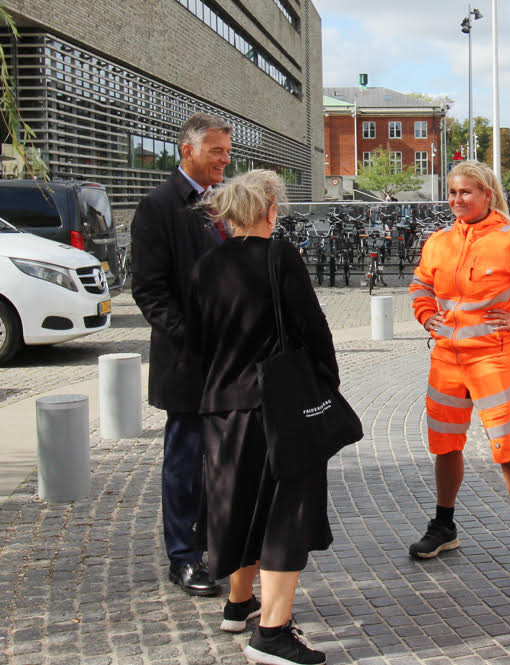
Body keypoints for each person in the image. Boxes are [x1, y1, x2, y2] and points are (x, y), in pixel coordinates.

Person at [188, 170, 336, 665]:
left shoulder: (206, 264)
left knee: (238, 506)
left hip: (221, 405)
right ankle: (271, 634)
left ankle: (238, 604)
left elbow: (197, 342)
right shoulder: (280, 256)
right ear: (271, 208)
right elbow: (313, 328)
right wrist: (327, 384)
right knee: (284, 514)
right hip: (275, 408)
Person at [408, 161, 510, 582]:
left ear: (487, 194)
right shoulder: (438, 241)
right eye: (453, 192)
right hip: (446, 361)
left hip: (494, 359)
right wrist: (424, 314)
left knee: (508, 452)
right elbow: (420, 283)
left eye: (466, 192)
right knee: (445, 445)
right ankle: (444, 526)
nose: (457, 200)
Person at [131, 112, 232, 596]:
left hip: (230, 361)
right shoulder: (158, 206)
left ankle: (213, 545)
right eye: (217, 151)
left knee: (222, 459)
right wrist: (192, 337)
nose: (225, 160)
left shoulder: (220, 202)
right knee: (186, 460)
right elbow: (149, 292)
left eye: (227, 152)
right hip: (189, 361)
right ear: (188, 151)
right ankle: (183, 557)